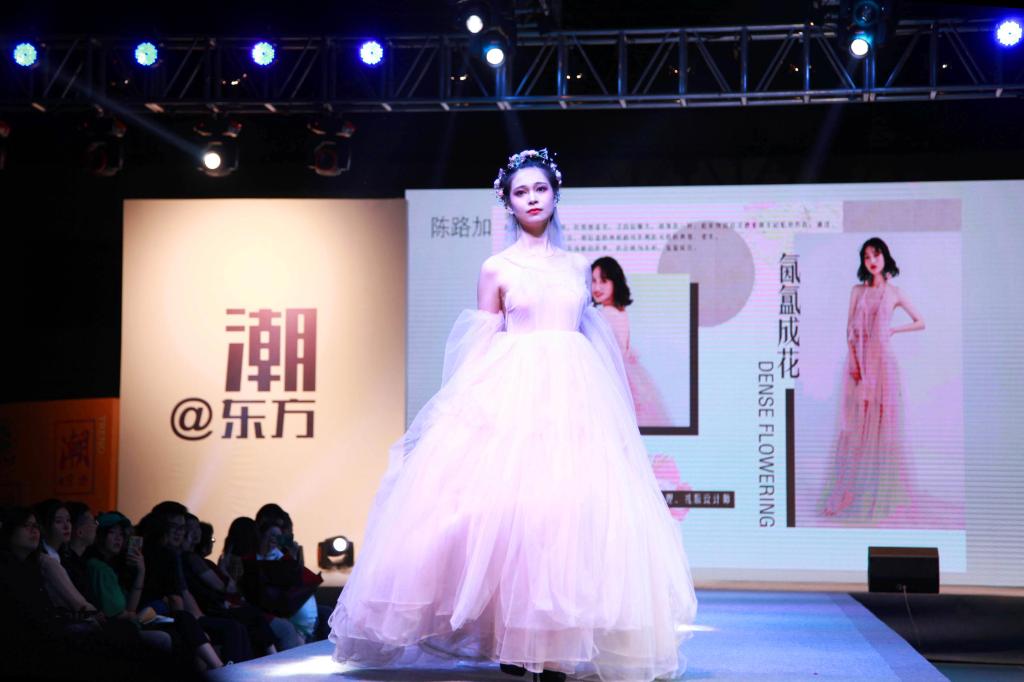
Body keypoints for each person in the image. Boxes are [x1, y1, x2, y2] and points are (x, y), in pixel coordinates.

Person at [328, 149, 696, 682]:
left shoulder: (578, 267)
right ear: (508, 202)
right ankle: (512, 636)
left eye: (540, 189)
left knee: (565, 513)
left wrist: (615, 409)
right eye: (521, 192)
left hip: (574, 395)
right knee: (508, 513)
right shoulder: (496, 267)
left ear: (555, 195)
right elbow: (481, 338)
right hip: (513, 392)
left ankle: (554, 646)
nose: (532, 199)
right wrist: (463, 406)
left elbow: (593, 336)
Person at [822, 237, 925, 520]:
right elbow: (849, 331)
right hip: (859, 367)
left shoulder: (895, 293)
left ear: (885, 257)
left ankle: (879, 492)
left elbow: (921, 321)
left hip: (884, 367)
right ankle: (848, 493)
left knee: (883, 429)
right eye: (866, 256)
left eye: (876, 254)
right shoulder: (857, 291)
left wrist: (894, 330)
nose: (871, 260)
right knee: (854, 429)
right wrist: (856, 363)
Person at [591, 255, 671, 426]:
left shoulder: (605, 314)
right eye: (593, 281)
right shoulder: (620, 311)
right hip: (629, 376)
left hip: (612, 377)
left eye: (603, 281)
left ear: (615, 282)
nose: (597, 287)